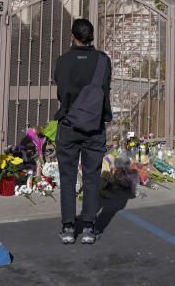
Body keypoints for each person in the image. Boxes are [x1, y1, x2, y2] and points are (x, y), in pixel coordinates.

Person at [52, 18, 112, 245]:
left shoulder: (63, 61)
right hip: (94, 125)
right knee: (91, 176)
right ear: (92, 36)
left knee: (67, 178)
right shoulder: (103, 61)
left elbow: (61, 91)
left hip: (68, 123)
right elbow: (105, 89)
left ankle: (68, 228)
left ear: (73, 36)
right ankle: (89, 227)